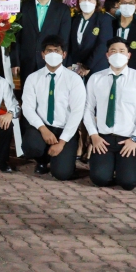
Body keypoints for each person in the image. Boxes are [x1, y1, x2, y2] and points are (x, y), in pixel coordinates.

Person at [84, 37, 136, 191]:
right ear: (107, 55)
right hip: (103, 140)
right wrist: (94, 135)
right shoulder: (96, 78)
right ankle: (109, 166)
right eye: (113, 51)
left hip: (128, 140)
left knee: (128, 183)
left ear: (129, 55)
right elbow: (88, 109)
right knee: (99, 179)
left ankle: (122, 167)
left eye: (122, 51)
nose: (117, 54)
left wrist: (135, 138)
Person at [21, 37, 86, 180]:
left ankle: (63, 160)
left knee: (62, 174)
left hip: (65, 130)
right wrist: (43, 130)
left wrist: (62, 142)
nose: (53, 54)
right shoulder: (33, 78)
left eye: (56, 51)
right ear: (43, 54)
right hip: (42, 127)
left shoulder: (74, 79)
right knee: (31, 146)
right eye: (49, 51)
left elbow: (77, 113)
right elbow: (27, 108)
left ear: (64, 54)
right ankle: (42, 160)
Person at [11, 0, 71, 80]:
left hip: (52, 62)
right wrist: (15, 61)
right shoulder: (23, 8)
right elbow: (16, 37)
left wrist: (62, 62)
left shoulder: (62, 10)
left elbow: (64, 39)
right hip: (27, 62)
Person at [66, 0, 113, 80]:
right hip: (76, 69)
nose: (86, 2)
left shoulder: (103, 19)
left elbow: (102, 45)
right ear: (79, 1)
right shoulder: (74, 20)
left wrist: (86, 66)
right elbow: (70, 45)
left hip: (96, 68)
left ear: (96, 2)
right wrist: (71, 65)